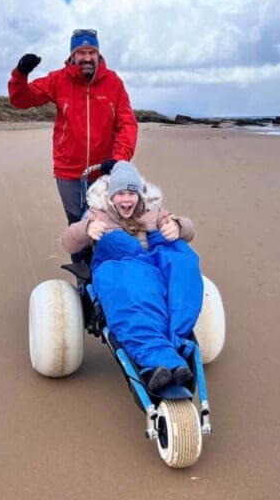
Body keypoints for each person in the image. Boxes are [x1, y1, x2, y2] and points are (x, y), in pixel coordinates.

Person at [61, 161, 204, 393]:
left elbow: (188, 231)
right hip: (118, 269)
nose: (126, 200)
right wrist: (86, 230)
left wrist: (177, 227)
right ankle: (160, 359)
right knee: (129, 281)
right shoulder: (97, 215)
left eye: (131, 193)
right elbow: (68, 241)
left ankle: (174, 343)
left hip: (151, 273)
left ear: (139, 194)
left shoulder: (155, 213)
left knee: (182, 259)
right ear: (110, 196)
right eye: (120, 194)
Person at [8, 29, 138, 248]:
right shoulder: (58, 80)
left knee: (106, 225)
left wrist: (118, 159)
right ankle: (82, 277)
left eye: (91, 52)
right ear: (72, 56)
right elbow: (21, 100)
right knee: (77, 225)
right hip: (68, 172)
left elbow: (127, 123)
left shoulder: (113, 82)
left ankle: (105, 273)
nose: (87, 58)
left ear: (98, 55)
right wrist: (20, 75)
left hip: (104, 171)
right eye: (81, 53)